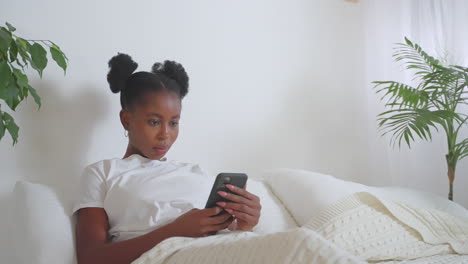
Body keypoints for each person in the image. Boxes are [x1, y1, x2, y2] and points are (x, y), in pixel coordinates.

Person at [73, 54, 262, 264]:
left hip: (224, 250)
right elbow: (91, 258)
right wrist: (174, 231)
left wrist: (243, 225)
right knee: (304, 242)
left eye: (173, 123)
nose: (165, 134)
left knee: (303, 238)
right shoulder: (102, 173)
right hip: (170, 257)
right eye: (154, 122)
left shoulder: (195, 172)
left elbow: (218, 232)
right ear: (126, 120)